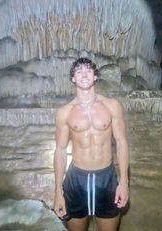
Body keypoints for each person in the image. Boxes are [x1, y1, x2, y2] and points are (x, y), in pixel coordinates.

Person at [53, 57, 129, 231]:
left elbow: (121, 142)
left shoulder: (112, 105)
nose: (84, 74)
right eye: (79, 71)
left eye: (88, 70)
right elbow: (60, 151)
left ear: (95, 76)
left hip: (106, 178)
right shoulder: (64, 112)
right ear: (73, 79)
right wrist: (58, 191)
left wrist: (124, 182)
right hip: (76, 179)